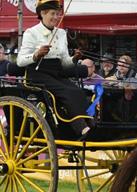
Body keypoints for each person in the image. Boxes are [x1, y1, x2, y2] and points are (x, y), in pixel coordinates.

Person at [17, 0, 92, 139]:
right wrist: (36, 54)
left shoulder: (61, 33)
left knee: (78, 91)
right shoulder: (31, 33)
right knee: (67, 91)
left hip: (57, 72)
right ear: (43, 13)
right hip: (37, 73)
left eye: (57, 14)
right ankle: (79, 127)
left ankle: (86, 122)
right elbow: (20, 60)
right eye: (53, 14)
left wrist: (74, 59)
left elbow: (64, 62)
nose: (56, 18)